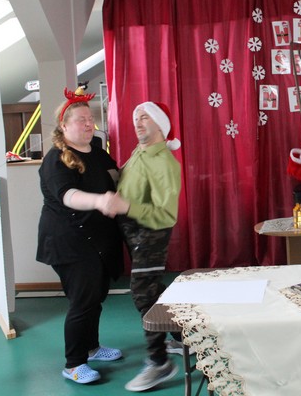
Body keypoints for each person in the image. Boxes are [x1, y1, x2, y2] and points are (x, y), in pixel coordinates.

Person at [36, 87, 124, 385]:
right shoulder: (56, 159)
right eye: (81, 120)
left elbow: (117, 178)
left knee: (95, 297)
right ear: (64, 126)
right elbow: (68, 195)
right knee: (83, 301)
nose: (89, 124)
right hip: (68, 241)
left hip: (96, 239)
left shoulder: (98, 152)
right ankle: (74, 364)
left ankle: (92, 347)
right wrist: (100, 201)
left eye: (90, 119)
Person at [105, 102, 183, 392]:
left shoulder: (164, 164)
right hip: (133, 230)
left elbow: (166, 215)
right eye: (136, 117)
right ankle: (182, 336)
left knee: (142, 292)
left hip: (151, 232)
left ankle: (159, 362)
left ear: (160, 125)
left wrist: (125, 205)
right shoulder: (140, 151)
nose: (137, 122)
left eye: (145, 117)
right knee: (153, 288)